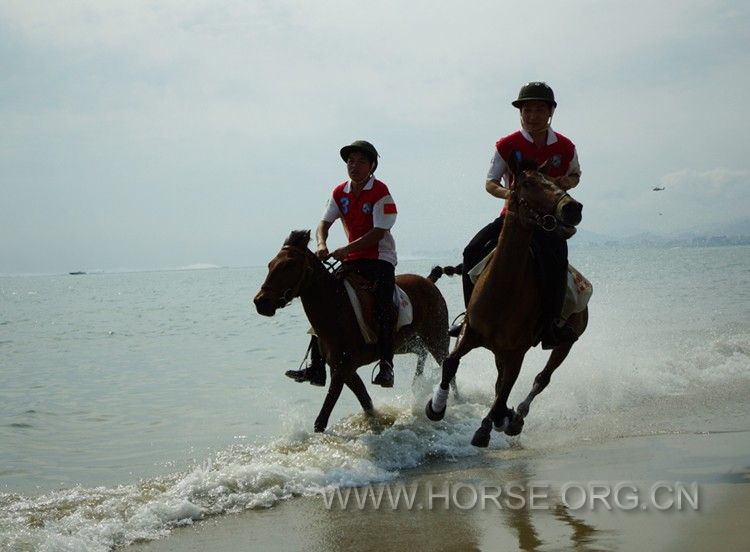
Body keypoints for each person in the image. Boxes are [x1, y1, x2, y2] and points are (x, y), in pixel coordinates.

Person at [452, 82, 581, 349]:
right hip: (512, 218)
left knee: (556, 264)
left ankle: (552, 324)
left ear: (551, 112)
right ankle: (470, 319)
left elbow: (576, 175)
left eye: (538, 110)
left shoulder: (566, 147)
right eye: (527, 110)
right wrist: (508, 195)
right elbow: (490, 182)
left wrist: (564, 182)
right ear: (520, 113)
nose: (532, 115)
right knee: (470, 252)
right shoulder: (507, 145)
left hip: (547, 223)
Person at [285, 140, 398, 387]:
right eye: (350, 161)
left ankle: (387, 364)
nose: (353, 166)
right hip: (352, 260)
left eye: (360, 161)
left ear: (372, 166)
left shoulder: (381, 192)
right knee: (323, 299)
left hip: (380, 259)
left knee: (384, 304)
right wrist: (321, 245)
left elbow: (379, 232)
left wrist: (346, 249)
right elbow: (323, 224)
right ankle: (316, 367)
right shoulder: (339, 192)